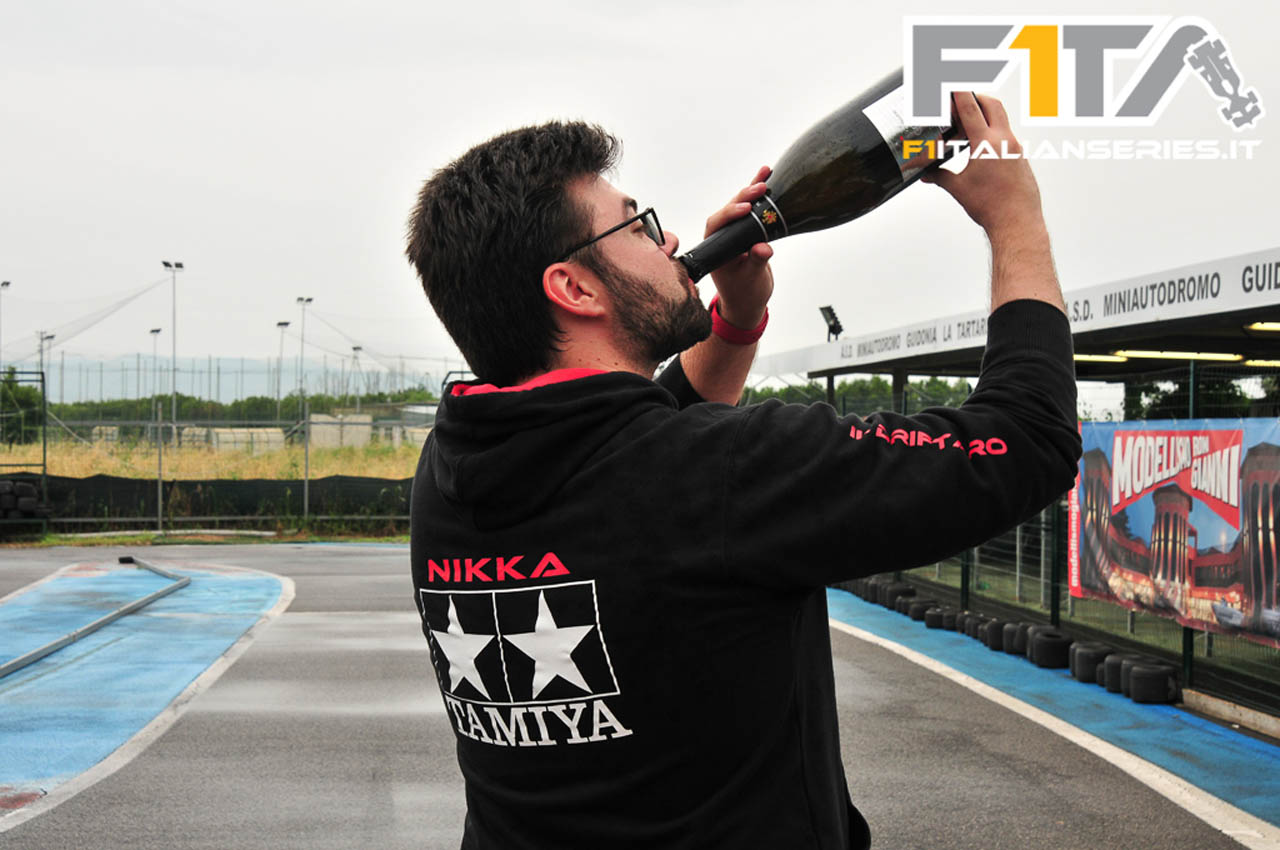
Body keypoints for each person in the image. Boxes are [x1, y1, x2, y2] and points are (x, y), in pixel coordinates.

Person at [404, 93, 1082, 850]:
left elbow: (634, 454)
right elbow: (1028, 439)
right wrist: (1014, 217)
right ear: (575, 288)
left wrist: (733, 319)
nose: (669, 242)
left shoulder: (453, 466)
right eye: (637, 226)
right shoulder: (724, 472)